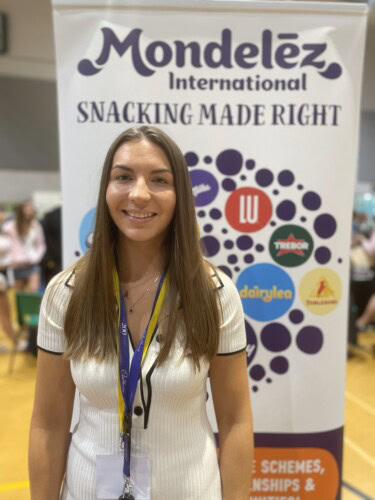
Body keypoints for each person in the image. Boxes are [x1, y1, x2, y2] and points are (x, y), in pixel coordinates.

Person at [29, 126, 254, 500]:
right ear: (106, 189)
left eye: (159, 180)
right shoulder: (65, 294)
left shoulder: (215, 295)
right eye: (123, 177)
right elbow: (48, 426)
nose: (138, 193)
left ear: (180, 195)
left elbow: (235, 422)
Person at [4, 200, 46, 292]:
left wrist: (35, 258)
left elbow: (41, 245)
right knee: (16, 296)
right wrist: (10, 259)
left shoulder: (36, 226)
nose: (28, 212)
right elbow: (5, 243)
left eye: (31, 210)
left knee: (32, 293)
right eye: (26, 209)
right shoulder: (10, 227)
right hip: (16, 266)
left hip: (31, 265)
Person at [0, 205, 16, 349]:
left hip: (6, 273)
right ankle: (15, 341)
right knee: (5, 310)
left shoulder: (5, 231)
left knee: (7, 310)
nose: (2, 215)